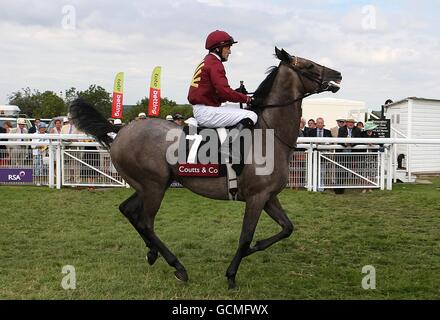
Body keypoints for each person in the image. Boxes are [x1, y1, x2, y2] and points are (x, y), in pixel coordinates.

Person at [187, 30, 257, 160]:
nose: (229, 51)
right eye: (228, 47)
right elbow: (224, 92)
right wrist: (247, 99)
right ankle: (227, 147)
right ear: (218, 48)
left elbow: (219, 93)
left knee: (242, 109)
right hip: (206, 111)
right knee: (251, 115)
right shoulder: (215, 64)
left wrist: (237, 93)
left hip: (205, 107)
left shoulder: (207, 61)